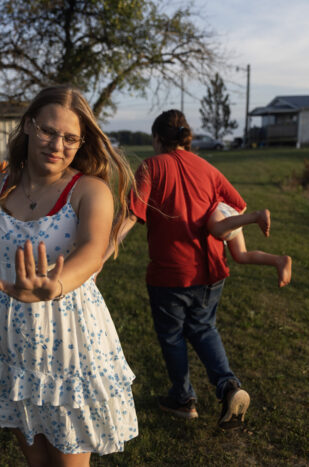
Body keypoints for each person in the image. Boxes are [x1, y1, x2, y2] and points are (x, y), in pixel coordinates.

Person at [0, 85, 138, 466]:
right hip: (8, 354)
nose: (57, 145)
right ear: (29, 125)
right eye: (48, 131)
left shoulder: (90, 191)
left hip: (67, 357)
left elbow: (92, 252)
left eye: (70, 138)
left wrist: (55, 285)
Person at [105, 109, 251, 429]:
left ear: (157, 139)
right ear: (187, 138)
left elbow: (130, 216)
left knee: (172, 336)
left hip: (170, 274)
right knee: (203, 328)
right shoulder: (208, 168)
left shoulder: (151, 167)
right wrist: (214, 222)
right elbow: (237, 205)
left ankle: (183, 399)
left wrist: (99, 256)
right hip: (211, 270)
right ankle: (228, 387)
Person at [208, 202, 292, 287]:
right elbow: (240, 203)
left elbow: (238, 201)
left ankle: (256, 216)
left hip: (221, 215)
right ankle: (278, 260)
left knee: (217, 229)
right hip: (230, 215)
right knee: (242, 255)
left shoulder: (212, 189)